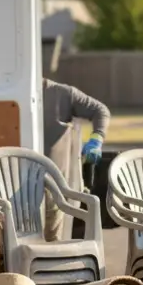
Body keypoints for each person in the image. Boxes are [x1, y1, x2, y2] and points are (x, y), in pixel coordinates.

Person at [42, 78, 111, 241]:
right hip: (13, 183)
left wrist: (96, 139)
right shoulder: (10, 96)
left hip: (53, 185)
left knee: (50, 239)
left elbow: (100, 110)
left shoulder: (62, 93)